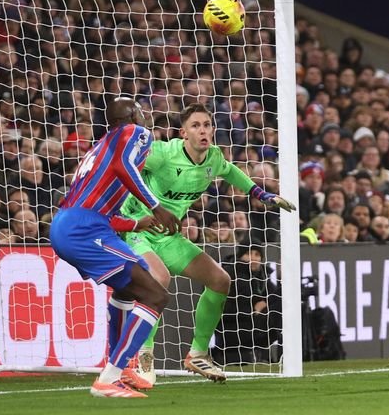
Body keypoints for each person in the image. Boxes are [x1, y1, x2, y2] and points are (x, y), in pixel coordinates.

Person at [120, 103, 295, 384]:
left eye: (207, 125)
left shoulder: (213, 157)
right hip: (137, 230)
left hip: (169, 237)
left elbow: (229, 171)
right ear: (183, 133)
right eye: (196, 126)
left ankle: (198, 354)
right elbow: (125, 166)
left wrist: (262, 194)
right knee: (159, 279)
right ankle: (143, 356)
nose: (203, 130)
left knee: (220, 280)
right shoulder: (163, 154)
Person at [49, 97, 180, 398]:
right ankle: (110, 377)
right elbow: (124, 166)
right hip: (84, 228)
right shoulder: (133, 132)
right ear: (133, 115)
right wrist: (157, 206)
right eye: (142, 112)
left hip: (74, 223)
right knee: (155, 294)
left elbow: (97, 209)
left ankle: (119, 368)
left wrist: (137, 224)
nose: (145, 118)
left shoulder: (97, 148)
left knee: (127, 288)